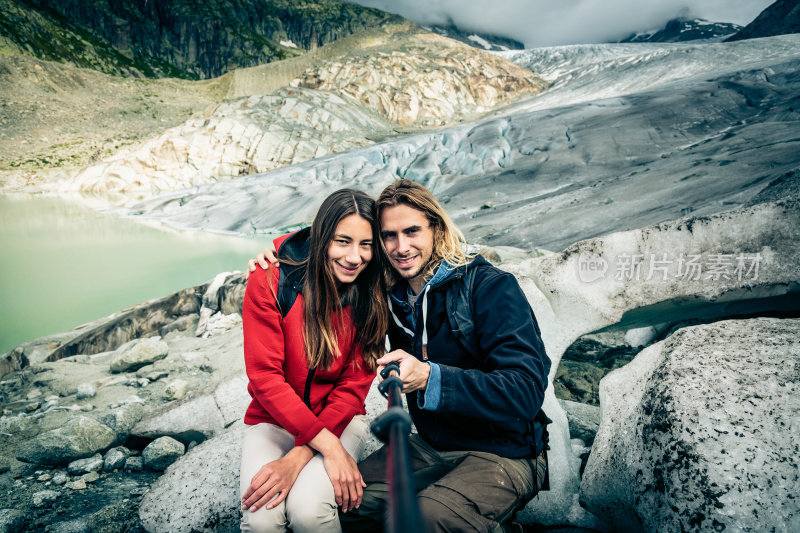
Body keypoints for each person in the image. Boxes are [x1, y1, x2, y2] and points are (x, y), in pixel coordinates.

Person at [252, 180, 550, 532]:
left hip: (505, 452)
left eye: (412, 231)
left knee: (423, 518)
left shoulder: (489, 287)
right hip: (430, 445)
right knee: (341, 501)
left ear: (436, 229)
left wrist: (429, 377)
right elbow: (329, 254)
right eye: (389, 236)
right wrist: (277, 261)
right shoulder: (386, 294)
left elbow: (527, 390)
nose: (401, 247)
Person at [240, 189, 388, 533]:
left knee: (309, 510)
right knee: (261, 517)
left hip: (338, 418)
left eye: (366, 244)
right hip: (273, 420)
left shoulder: (372, 290)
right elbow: (265, 378)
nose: (355, 257)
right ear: (321, 237)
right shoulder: (270, 279)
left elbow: (353, 388)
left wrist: (299, 455)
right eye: (342, 241)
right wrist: (326, 448)